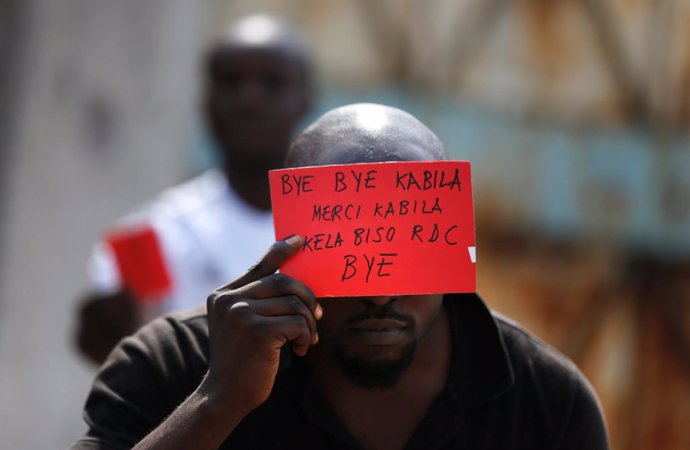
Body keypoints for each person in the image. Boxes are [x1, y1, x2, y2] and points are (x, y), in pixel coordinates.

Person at [72, 104, 609, 450]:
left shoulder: (547, 403)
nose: (379, 292)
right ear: (285, 241)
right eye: (347, 252)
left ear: (452, 237)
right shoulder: (172, 367)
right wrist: (218, 401)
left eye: (403, 249)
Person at [74, 14, 314, 365]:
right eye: (230, 82)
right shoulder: (154, 233)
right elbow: (119, 356)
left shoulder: (333, 229)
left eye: (273, 83)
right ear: (205, 100)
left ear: (305, 100)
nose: (249, 100)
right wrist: (109, 335)